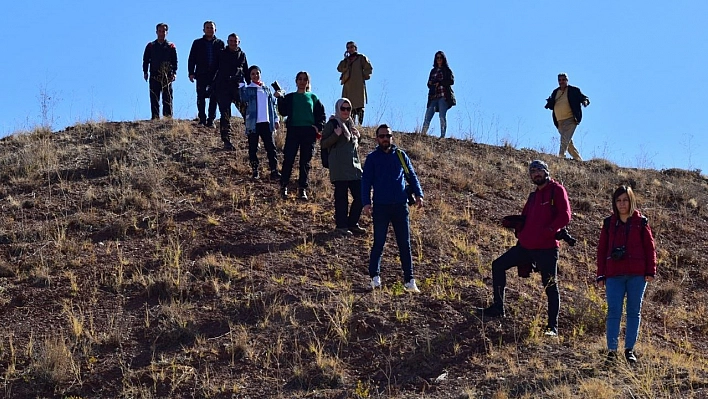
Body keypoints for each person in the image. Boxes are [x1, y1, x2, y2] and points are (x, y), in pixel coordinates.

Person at [479, 160, 571, 337]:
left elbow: (565, 215)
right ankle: (498, 308)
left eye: (539, 170)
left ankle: (552, 327)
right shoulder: (533, 196)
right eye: (532, 172)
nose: (536, 174)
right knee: (498, 265)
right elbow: (525, 218)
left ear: (546, 172)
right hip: (526, 246)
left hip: (547, 248)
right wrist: (517, 228)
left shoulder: (556, 190)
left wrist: (550, 231)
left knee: (550, 285)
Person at [596, 186, 657, 365]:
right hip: (614, 274)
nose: (622, 204)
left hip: (637, 275)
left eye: (625, 200)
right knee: (613, 311)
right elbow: (601, 250)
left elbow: (650, 248)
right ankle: (612, 351)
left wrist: (650, 271)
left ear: (631, 201)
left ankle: (629, 350)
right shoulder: (609, 223)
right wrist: (601, 274)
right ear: (614, 203)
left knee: (633, 311)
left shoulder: (641, 222)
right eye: (618, 200)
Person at [361, 124, 424, 293]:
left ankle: (410, 280)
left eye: (388, 136)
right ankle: (374, 277)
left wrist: (419, 194)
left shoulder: (400, 155)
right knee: (379, 243)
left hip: (400, 206)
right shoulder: (372, 158)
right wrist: (366, 202)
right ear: (377, 138)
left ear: (392, 137)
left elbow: (412, 176)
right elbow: (366, 182)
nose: (385, 139)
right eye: (382, 136)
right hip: (381, 206)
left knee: (404, 244)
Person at [275, 71, 326, 200]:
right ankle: (283, 186)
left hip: (308, 133)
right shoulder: (291, 97)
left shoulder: (313, 97)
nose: (302, 81)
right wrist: (279, 98)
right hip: (293, 131)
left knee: (305, 162)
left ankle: (302, 189)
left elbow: (322, 115)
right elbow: (283, 111)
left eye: (305, 79)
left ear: (308, 82)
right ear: (296, 81)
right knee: (289, 159)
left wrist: (318, 127)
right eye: (300, 79)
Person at [321, 98, 365, 236]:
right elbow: (323, 143)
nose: (345, 111)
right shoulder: (333, 123)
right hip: (339, 167)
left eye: (348, 109)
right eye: (343, 108)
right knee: (342, 198)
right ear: (338, 109)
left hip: (354, 167)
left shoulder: (351, 125)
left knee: (361, 196)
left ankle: (352, 223)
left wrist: (359, 136)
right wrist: (336, 134)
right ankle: (341, 226)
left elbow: (353, 145)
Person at [238, 65, 280, 180]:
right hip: (253, 123)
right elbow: (243, 98)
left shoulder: (266, 89)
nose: (255, 76)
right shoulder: (249, 89)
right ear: (250, 76)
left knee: (271, 147)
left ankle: (274, 170)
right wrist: (241, 84)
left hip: (267, 122)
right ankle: (255, 170)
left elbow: (272, 105)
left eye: (257, 73)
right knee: (253, 148)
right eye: (252, 74)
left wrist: (276, 119)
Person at [213, 33, 249, 150]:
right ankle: (226, 141)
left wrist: (250, 86)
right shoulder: (221, 54)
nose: (233, 43)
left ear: (239, 42)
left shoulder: (242, 55)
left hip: (237, 88)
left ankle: (252, 138)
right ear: (228, 41)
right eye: (231, 41)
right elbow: (214, 69)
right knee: (225, 114)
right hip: (223, 88)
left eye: (235, 41)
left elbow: (246, 72)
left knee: (246, 112)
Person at [544, 73, 590, 161]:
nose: (561, 82)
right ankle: (579, 160)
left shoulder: (574, 90)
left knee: (564, 139)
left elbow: (584, 98)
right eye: (560, 80)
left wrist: (585, 102)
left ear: (567, 80)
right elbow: (552, 102)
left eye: (563, 80)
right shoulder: (555, 92)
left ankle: (561, 157)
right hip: (559, 121)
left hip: (571, 119)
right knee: (568, 142)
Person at [187, 21, 225, 127]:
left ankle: (211, 120)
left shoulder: (220, 43)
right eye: (207, 27)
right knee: (200, 97)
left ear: (215, 30)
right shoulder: (197, 43)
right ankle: (202, 119)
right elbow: (192, 58)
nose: (209, 29)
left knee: (214, 97)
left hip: (215, 75)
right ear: (203, 30)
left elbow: (223, 60)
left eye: (211, 28)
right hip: (201, 74)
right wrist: (191, 72)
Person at [142, 23, 178, 120]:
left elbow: (174, 61)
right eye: (160, 31)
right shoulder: (150, 46)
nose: (162, 33)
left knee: (167, 97)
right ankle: (155, 117)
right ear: (156, 32)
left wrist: (174, 73)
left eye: (164, 31)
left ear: (167, 32)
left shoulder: (171, 46)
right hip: (154, 75)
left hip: (167, 76)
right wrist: (145, 72)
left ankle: (168, 118)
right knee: (154, 97)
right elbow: (146, 60)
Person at [421, 51, 456, 138]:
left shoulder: (447, 70)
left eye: (440, 58)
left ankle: (442, 136)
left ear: (443, 59)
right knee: (428, 115)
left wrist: (440, 83)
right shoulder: (433, 71)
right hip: (433, 96)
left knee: (442, 116)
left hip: (443, 96)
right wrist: (432, 83)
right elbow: (428, 84)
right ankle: (422, 134)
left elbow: (451, 81)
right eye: (437, 58)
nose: (439, 59)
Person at [337, 41, 373, 125]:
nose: (350, 49)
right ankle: (350, 124)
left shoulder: (361, 58)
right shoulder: (346, 61)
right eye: (348, 48)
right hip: (348, 86)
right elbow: (339, 68)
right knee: (348, 105)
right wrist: (345, 59)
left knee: (360, 105)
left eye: (351, 47)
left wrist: (363, 76)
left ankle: (360, 125)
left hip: (358, 85)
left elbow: (369, 68)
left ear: (355, 48)